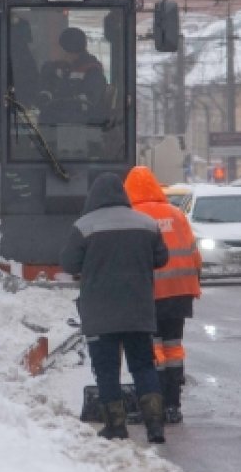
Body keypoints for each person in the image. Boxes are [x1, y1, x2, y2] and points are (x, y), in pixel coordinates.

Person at [60, 172, 169, 443]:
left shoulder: (84, 226)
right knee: (143, 366)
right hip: (138, 311)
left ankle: (115, 425)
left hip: (100, 313)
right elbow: (161, 258)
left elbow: (69, 264)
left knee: (107, 369)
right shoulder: (147, 224)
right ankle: (155, 425)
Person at [124, 166, 202, 424]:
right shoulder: (176, 214)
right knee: (173, 346)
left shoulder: (132, 216)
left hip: (149, 294)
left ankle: (153, 403)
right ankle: (173, 405)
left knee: (152, 349)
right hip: (179, 292)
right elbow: (195, 255)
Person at [37, 27, 108, 120]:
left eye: (56, 46)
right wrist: (43, 98)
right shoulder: (55, 68)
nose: (53, 49)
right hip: (54, 123)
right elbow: (46, 89)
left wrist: (57, 105)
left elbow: (86, 104)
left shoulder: (92, 71)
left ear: (67, 51)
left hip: (80, 126)